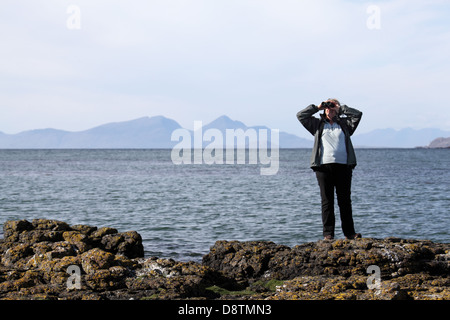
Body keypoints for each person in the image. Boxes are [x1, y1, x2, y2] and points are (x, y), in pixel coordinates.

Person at [297, 99, 363, 240]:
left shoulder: (345, 124)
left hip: (343, 166)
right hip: (323, 168)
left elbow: (357, 115)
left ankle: (350, 233)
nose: (329, 109)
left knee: (344, 201)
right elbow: (301, 116)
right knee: (327, 201)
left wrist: (341, 108)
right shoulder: (317, 124)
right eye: (327, 107)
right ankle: (328, 234)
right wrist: (317, 107)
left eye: (332, 106)